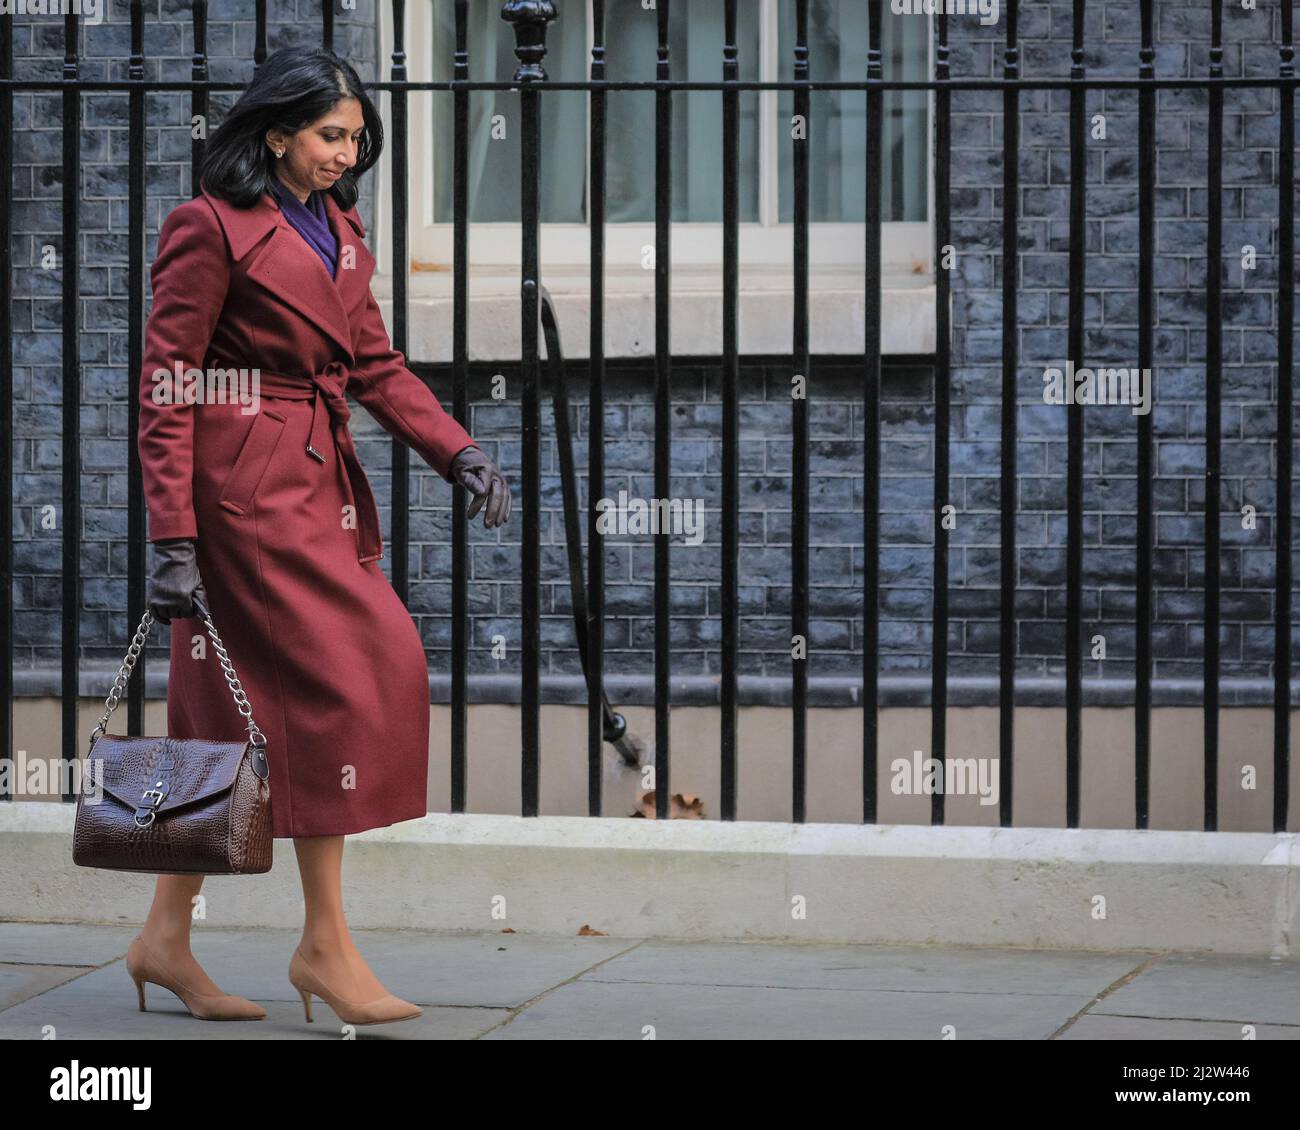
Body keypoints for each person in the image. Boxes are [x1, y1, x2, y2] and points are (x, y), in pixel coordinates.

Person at [129, 46, 511, 1027]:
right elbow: (168, 383)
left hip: (313, 481)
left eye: (354, 137)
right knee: (354, 672)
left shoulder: (338, 228)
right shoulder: (207, 228)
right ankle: (324, 944)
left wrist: (455, 450)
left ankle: (164, 937)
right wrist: (171, 531)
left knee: (219, 710)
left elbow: (375, 364)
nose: (347, 152)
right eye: (330, 134)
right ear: (277, 133)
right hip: (242, 496)